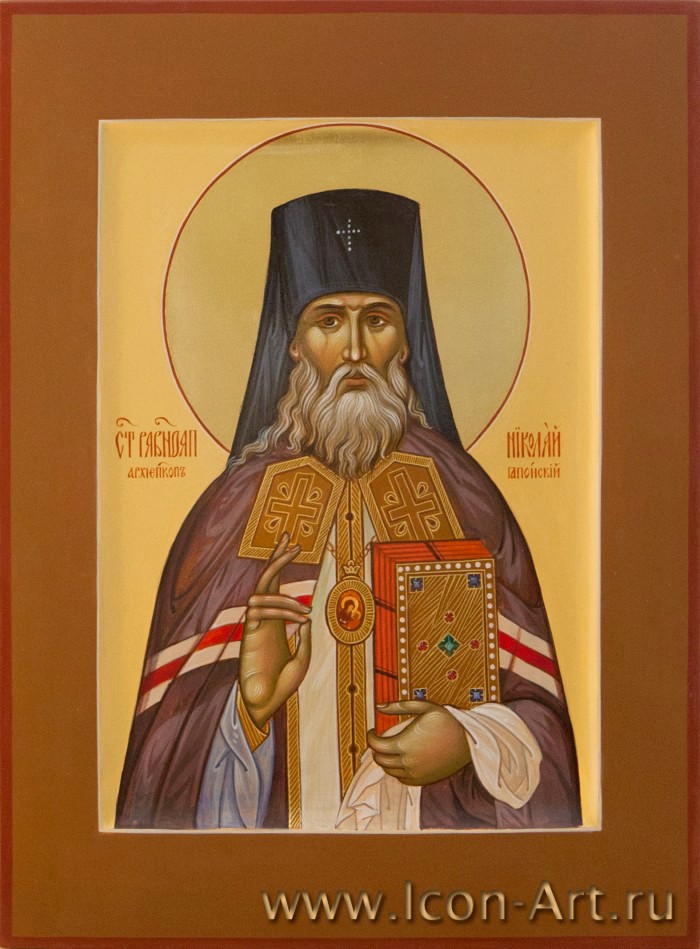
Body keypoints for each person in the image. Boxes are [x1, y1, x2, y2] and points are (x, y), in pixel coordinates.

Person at [116, 189, 581, 831]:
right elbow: (165, 766)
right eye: (329, 321)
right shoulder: (229, 514)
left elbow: (540, 714)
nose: (356, 350)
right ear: (294, 344)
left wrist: (471, 740)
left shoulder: (470, 504)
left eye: (378, 320)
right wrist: (248, 714)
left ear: (407, 342)